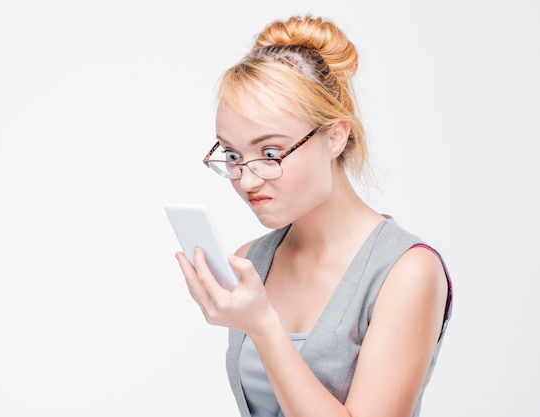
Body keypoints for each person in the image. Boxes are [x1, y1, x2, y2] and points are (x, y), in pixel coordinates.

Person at [174, 14, 452, 417]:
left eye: (270, 154)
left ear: (335, 136)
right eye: (233, 155)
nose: (246, 180)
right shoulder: (253, 260)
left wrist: (263, 326)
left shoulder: (407, 270)